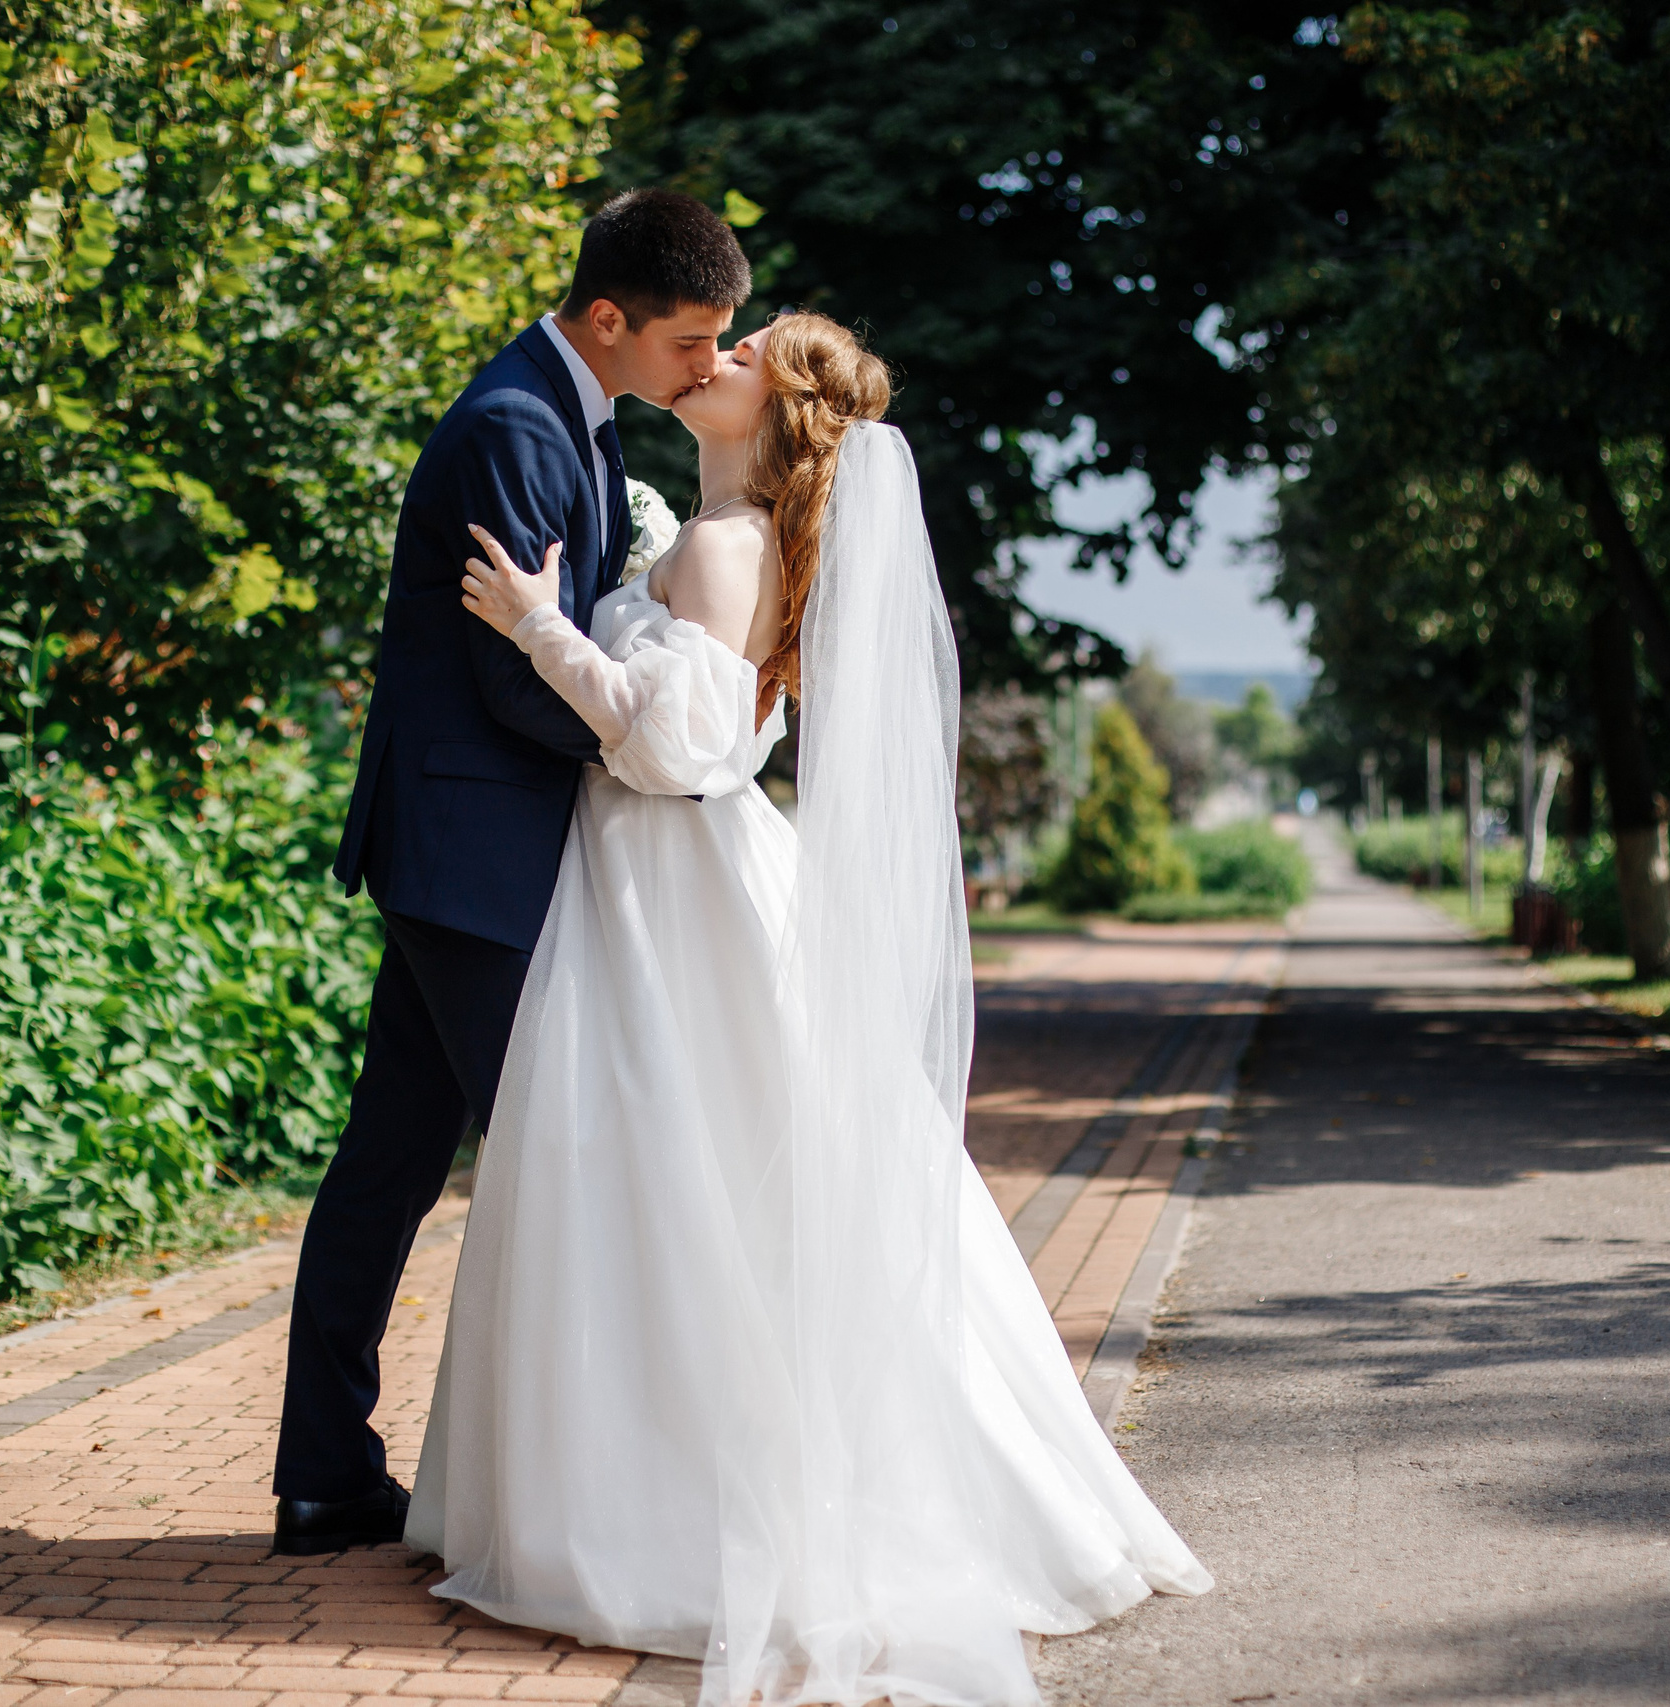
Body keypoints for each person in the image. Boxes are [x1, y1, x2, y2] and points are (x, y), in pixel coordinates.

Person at [419, 311, 1211, 1707]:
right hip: (676, 886)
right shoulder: (728, 534)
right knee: (700, 1185)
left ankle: (648, 1512)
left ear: (776, 414)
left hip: (674, 882)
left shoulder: (730, 547)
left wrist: (541, 626)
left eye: (747, 355)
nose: (712, 359)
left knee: (675, 1183)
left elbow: (680, 751)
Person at [269, 190, 752, 1555]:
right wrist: (644, 748)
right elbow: (507, 676)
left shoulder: (572, 421)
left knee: (391, 1161)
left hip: (471, 847)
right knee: (570, 1161)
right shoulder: (514, 429)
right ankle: (584, 1502)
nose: (707, 367)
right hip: (474, 851)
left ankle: (324, 1477)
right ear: (611, 318)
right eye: (690, 341)